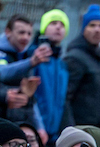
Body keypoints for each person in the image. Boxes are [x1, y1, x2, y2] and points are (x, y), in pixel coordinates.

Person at [64, 5, 100, 126]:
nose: (97, 30)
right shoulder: (75, 57)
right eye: (92, 25)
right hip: (79, 127)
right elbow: (65, 98)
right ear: (83, 29)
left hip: (95, 126)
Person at [32, 8, 70, 138]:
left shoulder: (61, 65)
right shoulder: (34, 56)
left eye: (62, 24)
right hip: (35, 130)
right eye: (53, 23)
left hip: (54, 134)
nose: (58, 27)